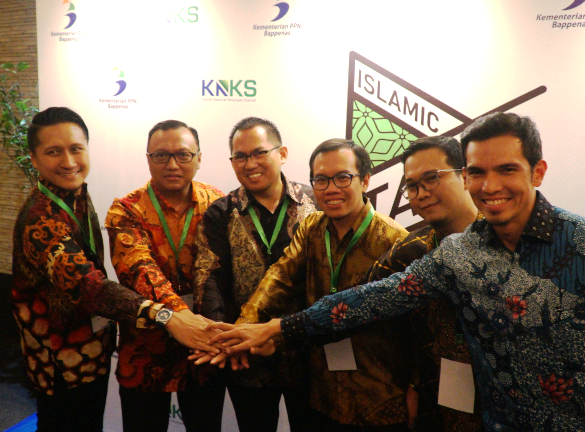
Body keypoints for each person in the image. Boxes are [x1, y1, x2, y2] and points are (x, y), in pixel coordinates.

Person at [210, 113, 585, 432]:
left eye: (507, 170)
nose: (490, 185)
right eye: (477, 172)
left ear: (538, 172)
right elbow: (368, 300)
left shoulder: (578, 242)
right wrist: (277, 330)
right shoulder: (456, 252)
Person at [11, 107, 220, 432]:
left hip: (179, 348)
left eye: (76, 149)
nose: (68, 161)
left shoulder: (77, 195)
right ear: (34, 159)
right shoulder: (47, 217)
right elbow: (95, 284)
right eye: (53, 152)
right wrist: (172, 315)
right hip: (64, 360)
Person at [201, 138, 412, 431]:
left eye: (342, 177)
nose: (331, 189)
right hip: (322, 392)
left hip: (380, 396)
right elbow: (279, 278)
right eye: (321, 180)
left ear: (365, 180)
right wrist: (242, 331)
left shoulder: (395, 241)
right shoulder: (311, 227)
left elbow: (413, 327)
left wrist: (416, 387)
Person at [192, 117, 317, 432]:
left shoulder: (315, 203)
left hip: (309, 352)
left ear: (282, 153)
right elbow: (209, 279)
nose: (250, 164)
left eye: (260, 153)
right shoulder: (221, 212)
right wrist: (226, 340)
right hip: (245, 356)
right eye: (240, 156)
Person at [104, 120, 224, 432]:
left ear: (199, 158)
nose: (172, 164)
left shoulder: (217, 203)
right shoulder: (126, 210)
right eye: (160, 155)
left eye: (183, 155)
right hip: (145, 348)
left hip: (204, 347)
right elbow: (139, 271)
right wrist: (182, 317)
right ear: (148, 159)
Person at [366, 136, 482, 431]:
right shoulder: (407, 253)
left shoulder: (509, 240)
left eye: (432, 178)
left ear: (465, 175)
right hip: (434, 401)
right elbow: (367, 308)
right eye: (412, 186)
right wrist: (410, 382)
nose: (421, 193)